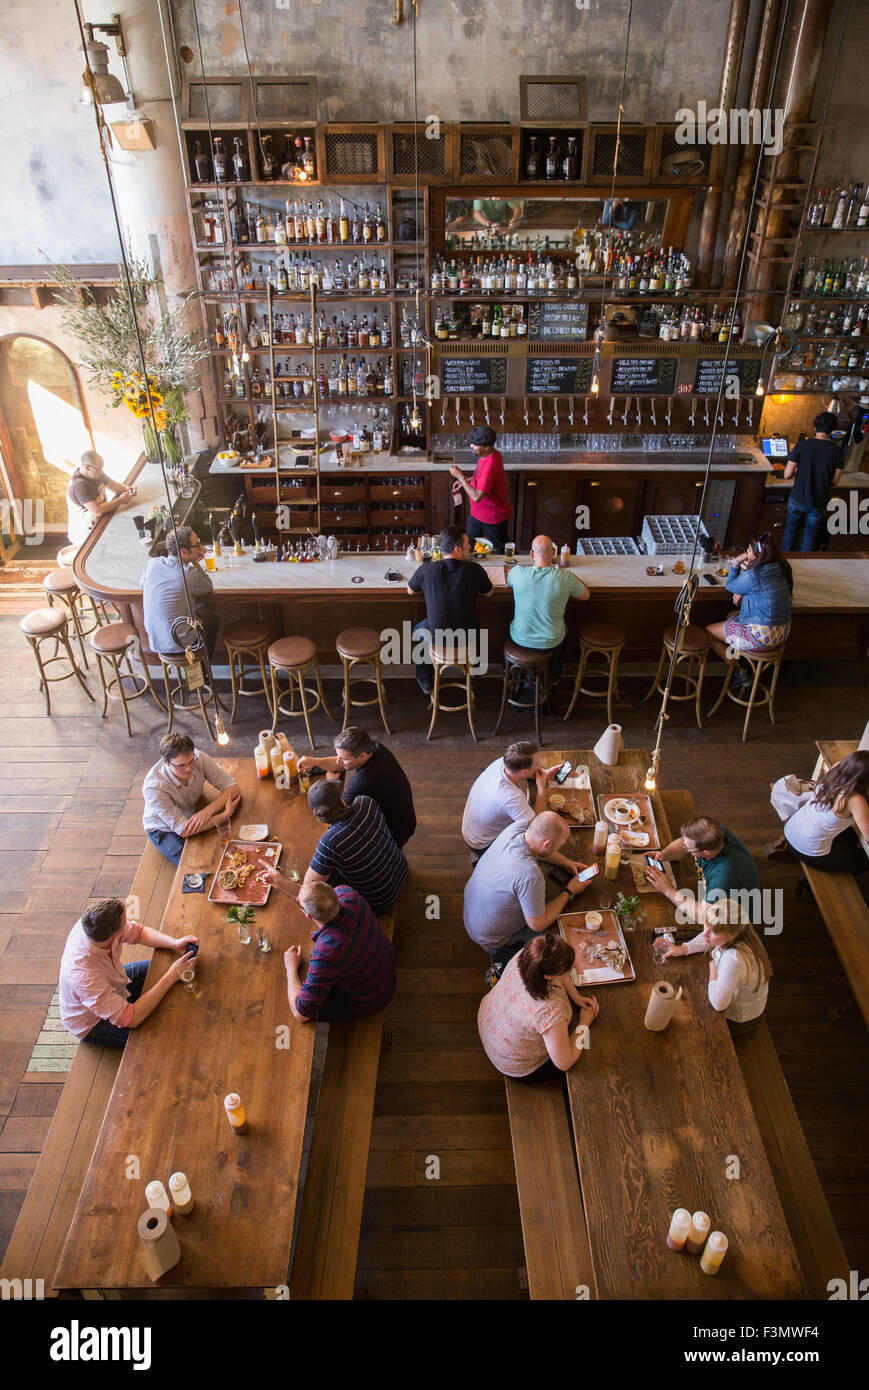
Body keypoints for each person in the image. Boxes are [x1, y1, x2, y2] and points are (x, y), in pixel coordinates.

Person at [59, 897, 197, 1048]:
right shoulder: (84, 978)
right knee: (163, 1037)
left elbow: (138, 933)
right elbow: (132, 1018)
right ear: (113, 936)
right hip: (94, 1023)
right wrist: (170, 976)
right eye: (124, 921)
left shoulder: (93, 927)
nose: (128, 922)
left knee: (167, 966)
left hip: (115, 981)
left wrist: (174, 943)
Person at [463, 811, 593, 966]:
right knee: (564, 938)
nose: (560, 847)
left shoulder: (518, 828)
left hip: (473, 912)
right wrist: (570, 891)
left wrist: (566, 862)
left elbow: (539, 850)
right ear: (547, 844)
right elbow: (537, 924)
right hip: (492, 940)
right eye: (560, 845)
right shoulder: (530, 875)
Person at [264, 779, 408, 916]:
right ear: (341, 799)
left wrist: (280, 882)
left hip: (381, 902)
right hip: (401, 869)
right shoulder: (366, 802)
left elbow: (307, 891)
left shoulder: (330, 843)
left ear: (318, 816)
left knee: (322, 893)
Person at [478, 933, 599, 1081]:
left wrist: (576, 997)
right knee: (582, 1056)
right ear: (548, 977)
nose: (572, 969)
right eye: (568, 969)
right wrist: (584, 1023)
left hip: (489, 1021)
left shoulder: (529, 956)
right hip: (513, 1065)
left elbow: (559, 974)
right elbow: (564, 1063)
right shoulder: (550, 1010)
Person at [283, 881, 396, 1023]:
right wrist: (282, 883)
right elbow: (317, 896)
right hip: (385, 966)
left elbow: (302, 1014)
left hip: (373, 997)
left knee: (316, 1012)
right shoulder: (347, 893)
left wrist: (291, 968)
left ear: (309, 916)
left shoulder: (327, 952)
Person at [662, 900, 771, 1036]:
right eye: (706, 925)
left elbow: (718, 1004)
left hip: (740, 1019)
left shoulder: (733, 959)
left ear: (732, 935)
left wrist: (712, 967)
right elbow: (707, 939)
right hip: (735, 997)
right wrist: (683, 948)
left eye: (713, 931)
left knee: (685, 1017)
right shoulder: (739, 934)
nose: (705, 933)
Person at [407, 525, 493, 695]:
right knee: (480, 628)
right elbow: (489, 593)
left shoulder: (427, 570)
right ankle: (474, 675)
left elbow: (410, 590)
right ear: (457, 549)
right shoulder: (475, 570)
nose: (471, 546)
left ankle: (425, 679)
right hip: (467, 637)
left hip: (437, 637)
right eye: (468, 543)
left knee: (418, 630)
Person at [297, 726, 416, 846]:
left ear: (363, 756)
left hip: (395, 830)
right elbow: (343, 764)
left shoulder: (363, 782)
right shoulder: (375, 748)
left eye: (344, 758)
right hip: (404, 815)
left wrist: (333, 782)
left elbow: (337, 809)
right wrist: (315, 761)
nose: (338, 761)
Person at [704, 533, 793, 689]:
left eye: (749, 551)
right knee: (730, 616)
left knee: (709, 632)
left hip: (762, 637)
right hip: (783, 632)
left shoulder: (755, 575)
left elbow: (730, 586)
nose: (746, 552)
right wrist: (743, 591)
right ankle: (744, 660)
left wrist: (736, 563)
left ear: (758, 556)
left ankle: (740, 669)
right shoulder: (783, 566)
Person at [142, 732, 242, 867]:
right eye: (181, 765)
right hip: (165, 829)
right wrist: (224, 815)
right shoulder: (154, 788)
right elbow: (184, 830)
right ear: (166, 762)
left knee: (231, 853)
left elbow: (233, 788)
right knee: (195, 869)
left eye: (190, 761)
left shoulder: (198, 757)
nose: (188, 768)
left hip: (194, 811)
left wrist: (207, 812)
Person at [643, 815, 759, 926]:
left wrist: (668, 890)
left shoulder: (724, 876)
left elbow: (704, 916)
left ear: (706, 852)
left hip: (734, 919)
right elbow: (686, 843)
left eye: (689, 849)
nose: (684, 848)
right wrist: (664, 854)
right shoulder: (712, 833)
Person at [507, 533, 590, 685]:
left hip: (520, 639)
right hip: (551, 644)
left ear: (531, 554)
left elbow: (509, 579)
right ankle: (553, 677)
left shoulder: (518, 573)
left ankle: (516, 675)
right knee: (564, 630)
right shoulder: (564, 577)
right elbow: (586, 595)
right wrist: (571, 575)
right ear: (553, 553)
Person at [462, 741, 565, 853]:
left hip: (472, 827)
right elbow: (536, 826)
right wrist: (541, 789)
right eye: (536, 764)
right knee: (541, 843)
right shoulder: (510, 797)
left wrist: (545, 773)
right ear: (524, 771)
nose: (538, 766)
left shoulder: (502, 762)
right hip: (483, 843)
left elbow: (522, 772)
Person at [782, 751, 869, 875]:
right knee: (863, 859)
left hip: (791, 829)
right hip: (807, 851)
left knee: (851, 836)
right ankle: (837, 884)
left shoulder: (836, 770)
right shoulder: (855, 800)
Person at [141, 525, 219, 659]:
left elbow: (142, 585)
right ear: (183, 551)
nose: (201, 548)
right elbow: (207, 587)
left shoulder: (152, 564)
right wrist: (195, 563)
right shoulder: (187, 574)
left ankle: (197, 669)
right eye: (197, 545)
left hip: (156, 641)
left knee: (199, 610)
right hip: (181, 644)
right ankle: (200, 668)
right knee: (212, 618)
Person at [781, 411, 843, 552]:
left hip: (798, 498)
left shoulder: (802, 445)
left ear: (815, 427)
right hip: (819, 501)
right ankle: (805, 567)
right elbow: (834, 481)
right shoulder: (837, 451)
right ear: (832, 429)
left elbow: (787, 474)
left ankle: (783, 563)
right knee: (810, 536)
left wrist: (800, 471)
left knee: (790, 532)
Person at [448, 426, 513, 553]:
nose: (471, 446)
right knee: (467, 546)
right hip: (477, 514)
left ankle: (509, 571)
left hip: (492, 517)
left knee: (502, 552)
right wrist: (468, 480)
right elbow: (483, 478)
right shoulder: (489, 454)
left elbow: (477, 496)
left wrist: (460, 477)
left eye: (475, 445)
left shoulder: (491, 463)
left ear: (486, 447)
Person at [66, 449, 136, 548]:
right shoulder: (80, 485)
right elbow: (97, 510)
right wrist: (120, 500)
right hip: (85, 534)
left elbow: (112, 484)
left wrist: (126, 488)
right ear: (87, 467)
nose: (102, 472)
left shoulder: (96, 473)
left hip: (100, 520)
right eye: (99, 469)